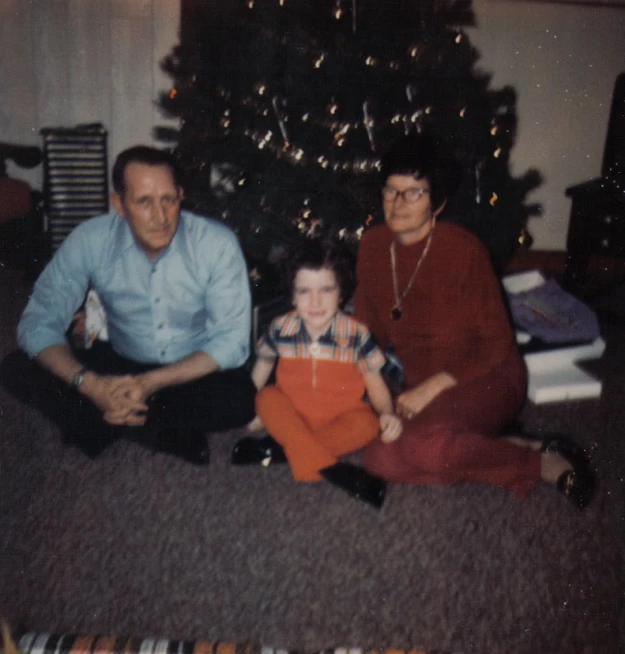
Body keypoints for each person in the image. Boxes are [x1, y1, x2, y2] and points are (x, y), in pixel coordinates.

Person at [353, 132, 595, 509]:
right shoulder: (371, 247)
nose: (397, 204)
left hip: (486, 375)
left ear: (438, 202)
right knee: (379, 458)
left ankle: (539, 462)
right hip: (418, 386)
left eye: (413, 192)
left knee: (427, 450)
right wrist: (378, 399)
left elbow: (497, 343)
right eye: (390, 191)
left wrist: (431, 388)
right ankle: (498, 444)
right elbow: (367, 336)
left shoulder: (463, 251)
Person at [5, 145, 256, 464]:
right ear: (119, 204)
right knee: (16, 368)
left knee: (241, 398)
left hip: (189, 369)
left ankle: (105, 422)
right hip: (120, 359)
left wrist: (149, 383)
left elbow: (232, 343)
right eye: (144, 202)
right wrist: (90, 384)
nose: (161, 217)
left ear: (181, 195)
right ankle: (154, 429)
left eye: (169, 199)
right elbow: (38, 323)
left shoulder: (216, 244)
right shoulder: (91, 239)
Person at [231, 239, 402, 507]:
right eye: (304, 292)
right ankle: (343, 475)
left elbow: (375, 383)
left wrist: (387, 413)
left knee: (368, 424)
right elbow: (263, 364)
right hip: (293, 414)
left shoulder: (356, 333)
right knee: (266, 398)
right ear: (291, 295)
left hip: (341, 418)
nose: (315, 302)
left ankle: (282, 450)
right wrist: (247, 409)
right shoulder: (281, 327)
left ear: (341, 292)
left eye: (326, 290)